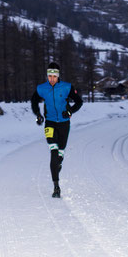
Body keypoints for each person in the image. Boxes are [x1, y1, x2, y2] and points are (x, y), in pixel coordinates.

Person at [31, 62, 83, 198]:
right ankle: (56, 186)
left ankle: (58, 162)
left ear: (58, 76)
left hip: (64, 124)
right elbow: (33, 100)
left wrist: (70, 111)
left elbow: (79, 102)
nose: (52, 79)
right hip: (50, 123)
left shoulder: (67, 87)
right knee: (53, 152)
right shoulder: (42, 88)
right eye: (49, 76)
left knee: (60, 154)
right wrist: (38, 114)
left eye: (54, 76)